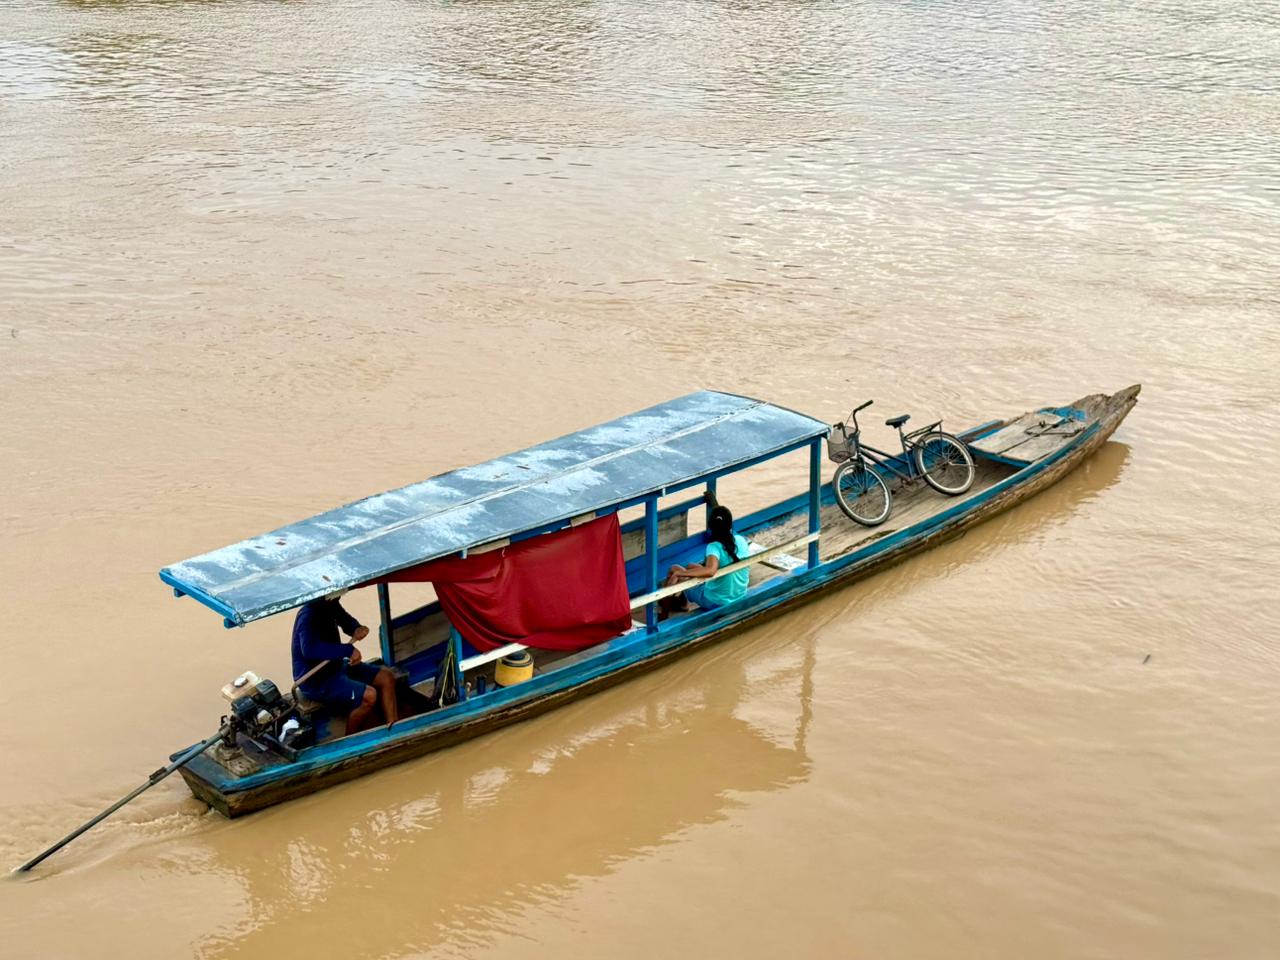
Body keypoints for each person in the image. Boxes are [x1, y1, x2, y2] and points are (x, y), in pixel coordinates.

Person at [292, 590, 399, 735]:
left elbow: (344, 619)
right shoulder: (308, 615)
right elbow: (310, 650)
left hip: (336, 667)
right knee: (369, 696)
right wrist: (348, 651)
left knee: (386, 677)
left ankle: (394, 729)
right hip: (315, 680)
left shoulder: (330, 604)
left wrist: (356, 628)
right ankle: (350, 739)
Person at [660, 502, 751, 617]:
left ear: (711, 527)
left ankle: (665, 612)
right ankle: (682, 602)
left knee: (674, 569)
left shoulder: (714, 547)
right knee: (690, 566)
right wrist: (687, 572)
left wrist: (680, 573)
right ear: (730, 524)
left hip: (716, 601)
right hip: (739, 594)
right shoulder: (740, 540)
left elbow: (711, 570)